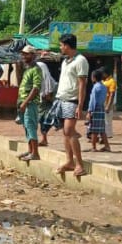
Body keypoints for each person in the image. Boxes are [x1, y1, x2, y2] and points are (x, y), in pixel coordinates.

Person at [53, 33, 89, 177]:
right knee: (65, 132)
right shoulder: (66, 61)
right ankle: (69, 161)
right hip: (62, 99)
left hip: (72, 100)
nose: (60, 48)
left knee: (69, 131)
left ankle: (80, 164)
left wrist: (80, 106)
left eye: (61, 45)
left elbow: (82, 85)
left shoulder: (81, 61)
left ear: (67, 46)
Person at [16, 46, 43, 161]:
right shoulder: (28, 69)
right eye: (23, 54)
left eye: (26, 54)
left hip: (30, 103)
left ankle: (35, 153)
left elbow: (36, 88)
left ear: (33, 55)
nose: (24, 56)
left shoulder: (36, 69)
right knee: (26, 127)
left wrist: (25, 102)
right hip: (23, 102)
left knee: (31, 126)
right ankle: (30, 150)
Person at [87, 69, 110, 152]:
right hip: (101, 108)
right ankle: (107, 146)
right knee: (101, 129)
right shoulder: (104, 86)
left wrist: (90, 111)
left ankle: (93, 147)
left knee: (94, 129)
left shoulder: (95, 87)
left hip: (95, 109)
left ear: (94, 78)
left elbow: (93, 100)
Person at [36, 58, 57, 147]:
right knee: (41, 121)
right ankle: (44, 139)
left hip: (48, 105)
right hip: (41, 105)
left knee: (46, 121)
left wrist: (46, 97)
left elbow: (50, 95)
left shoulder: (50, 81)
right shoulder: (38, 78)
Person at [102, 67, 117, 143]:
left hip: (107, 104)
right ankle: (103, 137)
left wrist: (108, 106)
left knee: (107, 121)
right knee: (102, 121)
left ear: (106, 73)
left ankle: (106, 138)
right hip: (101, 103)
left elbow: (112, 94)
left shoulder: (112, 81)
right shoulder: (103, 81)